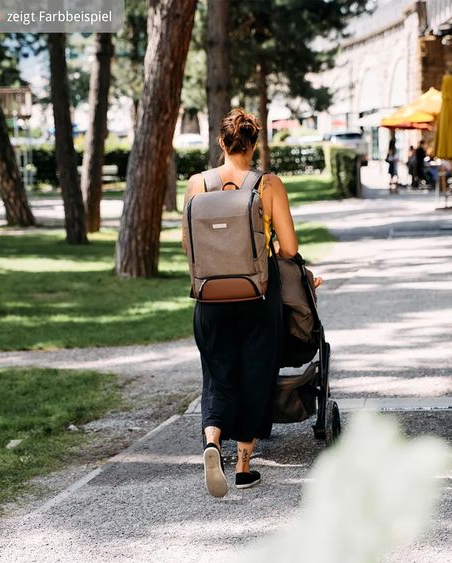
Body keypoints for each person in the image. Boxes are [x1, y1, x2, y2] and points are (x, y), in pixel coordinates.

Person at [183, 108, 322, 498]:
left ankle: (213, 441)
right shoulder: (269, 184)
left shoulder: (197, 184)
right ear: (254, 144)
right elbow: (290, 248)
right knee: (256, 374)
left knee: (218, 372)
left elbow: (186, 245)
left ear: (221, 143)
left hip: (210, 295)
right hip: (258, 293)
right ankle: (243, 466)